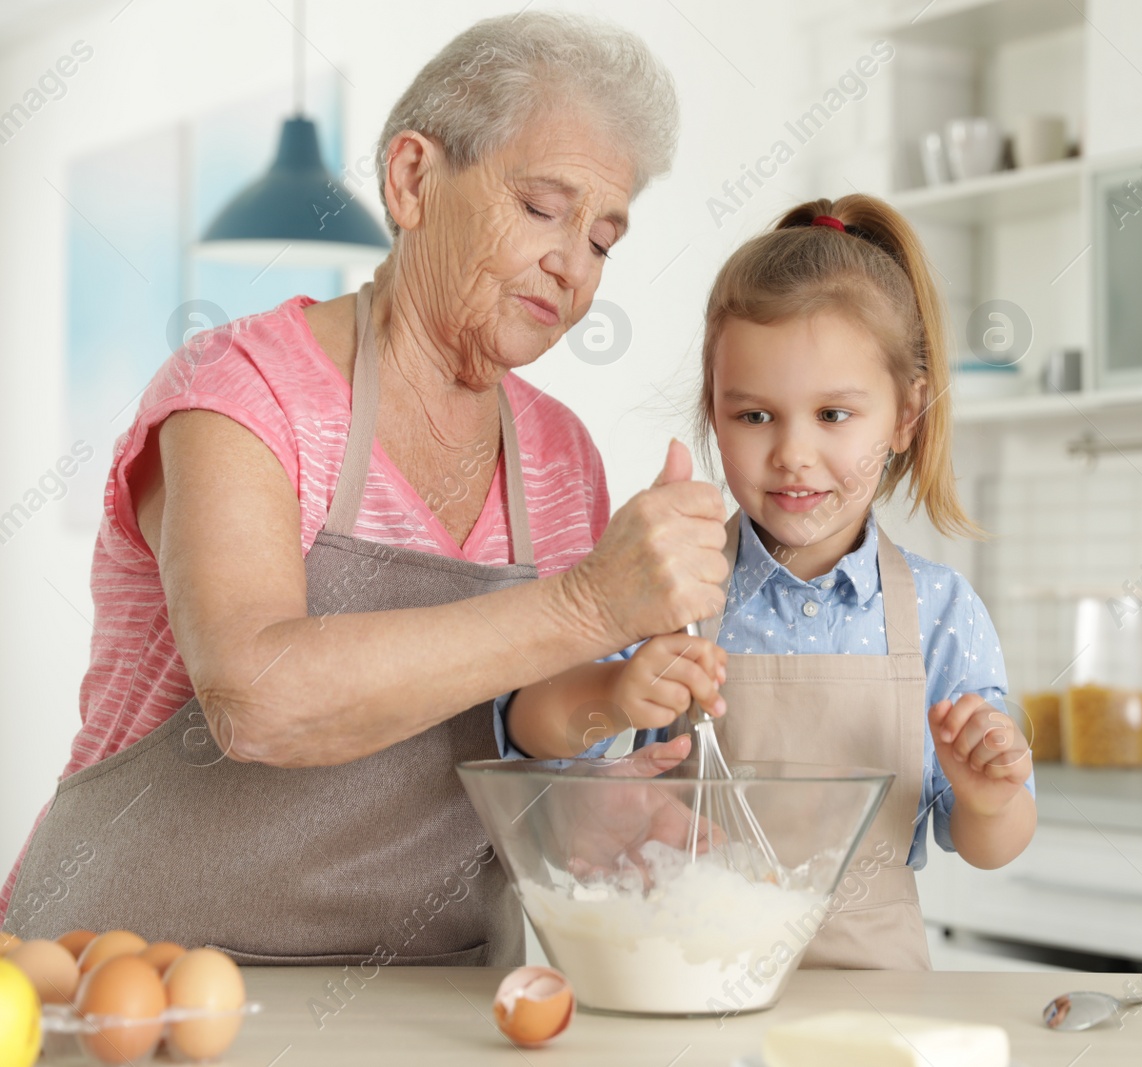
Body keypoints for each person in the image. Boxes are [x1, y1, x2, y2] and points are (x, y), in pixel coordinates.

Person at [0, 13, 731, 968]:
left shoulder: (562, 457)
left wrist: (608, 790)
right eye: (545, 208)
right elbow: (259, 699)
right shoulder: (238, 389)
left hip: (423, 990)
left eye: (603, 238)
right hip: (128, 975)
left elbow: (520, 751)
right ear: (413, 178)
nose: (574, 265)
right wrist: (590, 603)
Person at [506, 194, 1037, 969]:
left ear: (905, 417)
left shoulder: (940, 611)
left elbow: (991, 842)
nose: (792, 453)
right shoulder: (669, 588)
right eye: (754, 416)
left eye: (832, 414)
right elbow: (528, 727)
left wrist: (990, 792)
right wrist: (613, 699)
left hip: (873, 1014)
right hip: (686, 993)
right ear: (713, 415)